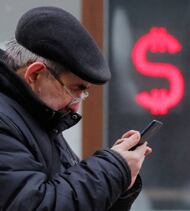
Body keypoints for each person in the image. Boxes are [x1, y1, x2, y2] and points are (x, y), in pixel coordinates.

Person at [0, 6, 152, 211]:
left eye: (84, 93)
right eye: (74, 89)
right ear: (35, 74)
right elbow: (36, 206)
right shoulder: (6, 121)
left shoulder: (36, 116)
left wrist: (121, 180)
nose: (76, 105)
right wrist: (112, 169)